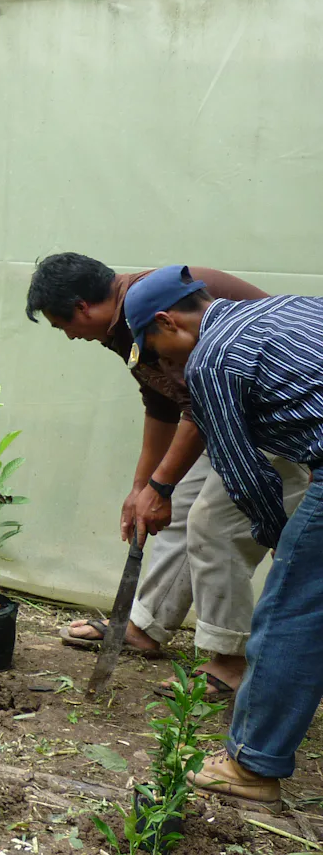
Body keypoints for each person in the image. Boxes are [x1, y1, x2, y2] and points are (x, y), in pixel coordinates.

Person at [26, 253, 307, 698]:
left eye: (65, 326)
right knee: (171, 514)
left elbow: (205, 394)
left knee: (215, 525)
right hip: (223, 414)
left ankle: (229, 659)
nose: (71, 337)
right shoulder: (124, 323)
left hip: (275, 410)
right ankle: (145, 625)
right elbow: (163, 403)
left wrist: (160, 485)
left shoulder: (151, 306)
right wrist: (143, 488)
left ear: (82, 307)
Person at [127, 266, 323, 810]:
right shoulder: (288, 309)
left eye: (160, 353)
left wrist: (279, 538)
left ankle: (252, 765)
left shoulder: (211, 360)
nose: (169, 368)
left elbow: (245, 475)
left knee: (290, 613)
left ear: (168, 321)